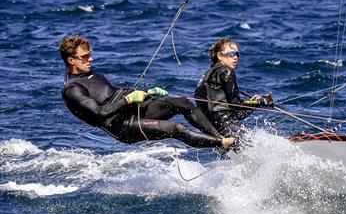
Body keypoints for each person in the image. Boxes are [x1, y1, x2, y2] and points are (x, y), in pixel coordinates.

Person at [60, 35, 235, 150]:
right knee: (175, 128)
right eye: (84, 57)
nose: (90, 59)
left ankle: (219, 138)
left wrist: (146, 93)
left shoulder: (94, 76)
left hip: (134, 110)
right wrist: (128, 99)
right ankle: (222, 143)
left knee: (182, 102)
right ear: (71, 60)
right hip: (123, 127)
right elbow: (100, 113)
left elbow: (116, 96)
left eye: (90, 55)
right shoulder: (73, 89)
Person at [194, 38, 273, 137]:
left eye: (237, 54)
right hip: (228, 127)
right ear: (219, 55)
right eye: (231, 54)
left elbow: (235, 113)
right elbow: (236, 104)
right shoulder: (226, 71)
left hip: (213, 131)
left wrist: (253, 105)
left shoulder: (206, 76)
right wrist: (261, 102)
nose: (235, 57)